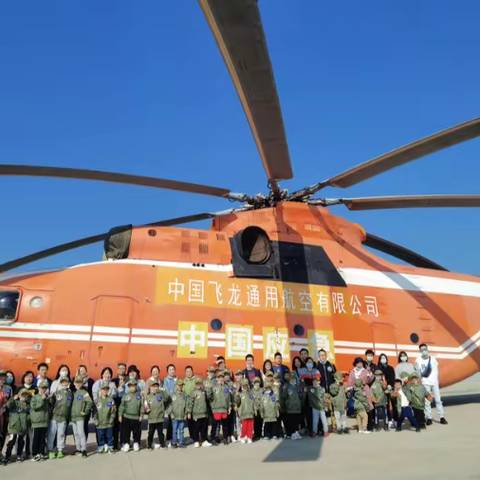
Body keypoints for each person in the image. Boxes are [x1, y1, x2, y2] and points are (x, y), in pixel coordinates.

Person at [414, 343, 448, 425]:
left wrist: (436, 379)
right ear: (420, 351)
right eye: (422, 350)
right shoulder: (418, 360)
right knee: (427, 401)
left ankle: (442, 417)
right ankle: (429, 417)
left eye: (425, 349)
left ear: (427, 349)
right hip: (425, 383)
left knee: (438, 400)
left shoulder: (433, 359)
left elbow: (437, 368)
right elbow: (417, 371)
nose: (424, 351)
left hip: (434, 383)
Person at [2, 388, 30, 465]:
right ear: (19, 395)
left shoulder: (27, 405)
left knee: (21, 442)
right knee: (11, 442)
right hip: (14, 427)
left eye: (26, 395)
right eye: (23, 395)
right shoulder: (15, 403)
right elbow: (8, 405)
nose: (24, 397)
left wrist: (28, 423)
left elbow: (29, 415)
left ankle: (19, 455)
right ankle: (7, 456)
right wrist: (13, 399)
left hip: (23, 427)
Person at [47, 376, 73, 459]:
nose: (64, 384)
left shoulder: (70, 393)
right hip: (54, 416)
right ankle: (50, 450)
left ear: (68, 383)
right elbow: (51, 404)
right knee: (52, 434)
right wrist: (50, 398)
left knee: (61, 434)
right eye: (63, 382)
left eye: (66, 382)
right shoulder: (56, 393)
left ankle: (60, 450)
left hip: (63, 417)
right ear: (60, 383)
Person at [70, 375, 93, 458]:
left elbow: (90, 402)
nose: (78, 384)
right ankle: (78, 448)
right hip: (73, 416)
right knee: (75, 433)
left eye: (80, 382)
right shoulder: (72, 392)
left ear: (82, 383)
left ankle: (84, 449)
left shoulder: (84, 392)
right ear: (74, 383)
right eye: (76, 382)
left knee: (81, 433)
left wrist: (85, 412)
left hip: (80, 416)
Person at [119, 378, 144, 452]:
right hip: (127, 417)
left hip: (136, 417)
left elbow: (142, 406)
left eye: (134, 386)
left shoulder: (139, 396)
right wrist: (120, 415)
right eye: (131, 386)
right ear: (129, 387)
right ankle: (126, 443)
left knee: (137, 432)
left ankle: (136, 443)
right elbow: (122, 406)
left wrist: (141, 415)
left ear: (136, 386)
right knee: (126, 431)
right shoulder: (125, 396)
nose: (132, 387)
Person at [208, 371, 231, 445]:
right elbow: (210, 398)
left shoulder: (226, 388)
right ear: (216, 379)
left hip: (224, 409)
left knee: (225, 425)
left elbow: (228, 399)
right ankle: (213, 438)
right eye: (219, 377)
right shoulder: (213, 388)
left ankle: (225, 438)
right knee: (214, 425)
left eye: (222, 377)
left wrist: (229, 407)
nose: (220, 379)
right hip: (216, 409)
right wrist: (209, 393)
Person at [72, 365, 94, 443]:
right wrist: (76, 378)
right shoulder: (74, 380)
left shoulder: (91, 381)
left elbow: (91, 394)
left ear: (86, 371)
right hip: (77, 407)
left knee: (84, 425)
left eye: (83, 370)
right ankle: (77, 446)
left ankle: (84, 444)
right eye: (80, 371)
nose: (82, 372)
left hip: (85, 407)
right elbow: (71, 389)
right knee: (76, 428)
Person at [145, 378, 169, 450]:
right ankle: (149, 445)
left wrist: (163, 391)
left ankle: (162, 444)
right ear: (150, 387)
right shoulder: (148, 397)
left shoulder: (160, 395)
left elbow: (166, 398)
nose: (155, 388)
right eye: (153, 386)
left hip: (159, 418)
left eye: (156, 386)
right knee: (150, 433)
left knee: (160, 433)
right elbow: (145, 406)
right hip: (152, 418)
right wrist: (147, 410)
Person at [187, 376, 211, 448]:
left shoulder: (204, 392)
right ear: (195, 384)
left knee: (204, 428)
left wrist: (209, 389)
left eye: (200, 384)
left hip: (204, 413)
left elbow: (208, 400)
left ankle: (203, 440)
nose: (198, 385)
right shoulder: (193, 393)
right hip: (196, 414)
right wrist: (189, 412)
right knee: (196, 428)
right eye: (197, 384)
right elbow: (190, 403)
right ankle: (196, 441)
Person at [281, 372, 305, 440]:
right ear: (289, 379)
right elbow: (284, 396)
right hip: (290, 407)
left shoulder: (298, 386)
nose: (293, 380)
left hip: (297, 407)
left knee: (297, 421)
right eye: (291, 379)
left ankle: (296, 432)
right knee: (291, 421)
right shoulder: (287, 386)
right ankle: (292, 433)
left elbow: (301, 396)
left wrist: (302, 395)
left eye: (294, 379)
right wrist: (284, 390)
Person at [94, 381, 116, 453]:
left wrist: (111, 419)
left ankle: (110, 446)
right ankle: (101, 446)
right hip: (100, 423)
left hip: (108, 423)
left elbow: (113, 410)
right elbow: (95, 412)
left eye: (106, 390)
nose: (105, 391)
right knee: (101, 436)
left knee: (109, 436)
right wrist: (96, 420)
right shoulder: (97, 401)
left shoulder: (110, 400)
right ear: (100, 390)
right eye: (103, 389)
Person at [30, 379, 49, 461]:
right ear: (39, 388)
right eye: (42, 388)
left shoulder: (46, 397)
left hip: (44, 421)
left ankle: (41, 452)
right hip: (37, 421)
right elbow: (34, 407)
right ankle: (34, 453)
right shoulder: (35, 397)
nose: (43, 389)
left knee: (42, 439)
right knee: (36, 438)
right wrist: (42, 399)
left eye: (45, 388)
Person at [168, 379, 188, 448]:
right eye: (178, 385)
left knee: (181, 430)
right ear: (176, 386)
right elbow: (170, 405)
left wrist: (186, 413)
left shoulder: (185, 395)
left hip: (182, 416)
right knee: (174, 430)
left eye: (181, 385)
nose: (180, 387)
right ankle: (174, 442)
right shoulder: (172, 395)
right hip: (175, 416)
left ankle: (181, 442)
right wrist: (171, 413)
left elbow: (187, 405)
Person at [21, 370, 37, 458]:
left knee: (31, 435)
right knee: (21, 436)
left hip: (31, 415)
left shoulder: (36, 389)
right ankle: (20, 453)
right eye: (27, 376)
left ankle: (30, 452)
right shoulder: (19, 388)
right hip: (21, 415)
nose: (29, 378)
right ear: (24, 378)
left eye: (31, 376)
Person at [235, 378, 256, 444]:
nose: (245, 386)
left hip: (250, 412)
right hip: (243, 412)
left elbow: (253, 402)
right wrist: (237, 395)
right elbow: (237, 402)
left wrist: (255, 410)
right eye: (243, 385)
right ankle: (242, 437)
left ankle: (249, 437)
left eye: (246, 385)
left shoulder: (251, 393)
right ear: (241, 385)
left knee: (250, 426)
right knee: (244, 426)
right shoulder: (240, 393)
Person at [377, 353, 396, 427]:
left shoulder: (390, 368)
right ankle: (388, 420)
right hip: (382, 389)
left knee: (394, 404)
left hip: (390, 388)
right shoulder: (378, 369)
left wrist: (390, 386)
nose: (383, 359)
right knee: (386, 405)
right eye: (381, 358)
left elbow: (393, 378)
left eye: (384, 358)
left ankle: (395, 419)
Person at [163, 364, 177, 447]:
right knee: (170, 422)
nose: (172, 371)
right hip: (170, 404)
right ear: (167, 371)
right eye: (170, 369)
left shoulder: (177, 379)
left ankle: (174, 439)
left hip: (177, 404)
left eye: (173, 369)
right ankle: (168, 439)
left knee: (177, 422)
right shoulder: (166, 380)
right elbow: (167, 392)